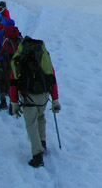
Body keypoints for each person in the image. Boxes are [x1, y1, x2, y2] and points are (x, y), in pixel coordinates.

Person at [9, 36, 61, 168]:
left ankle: (37, 156)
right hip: (43, 96)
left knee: (31, 124)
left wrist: (14, 103)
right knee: (41, 117)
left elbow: (13, 83)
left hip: (28, 97)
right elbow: (52, 77)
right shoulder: (43, 56)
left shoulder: (19, 58)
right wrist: (55, 100)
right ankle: (42, 144)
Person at [0, 19, 22, 112]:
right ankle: (13, 104)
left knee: (1, 81)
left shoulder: (0, 34)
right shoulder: (18, 34)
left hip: (1, 61)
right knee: (12, 82)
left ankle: (3, 101)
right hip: (14, 62)